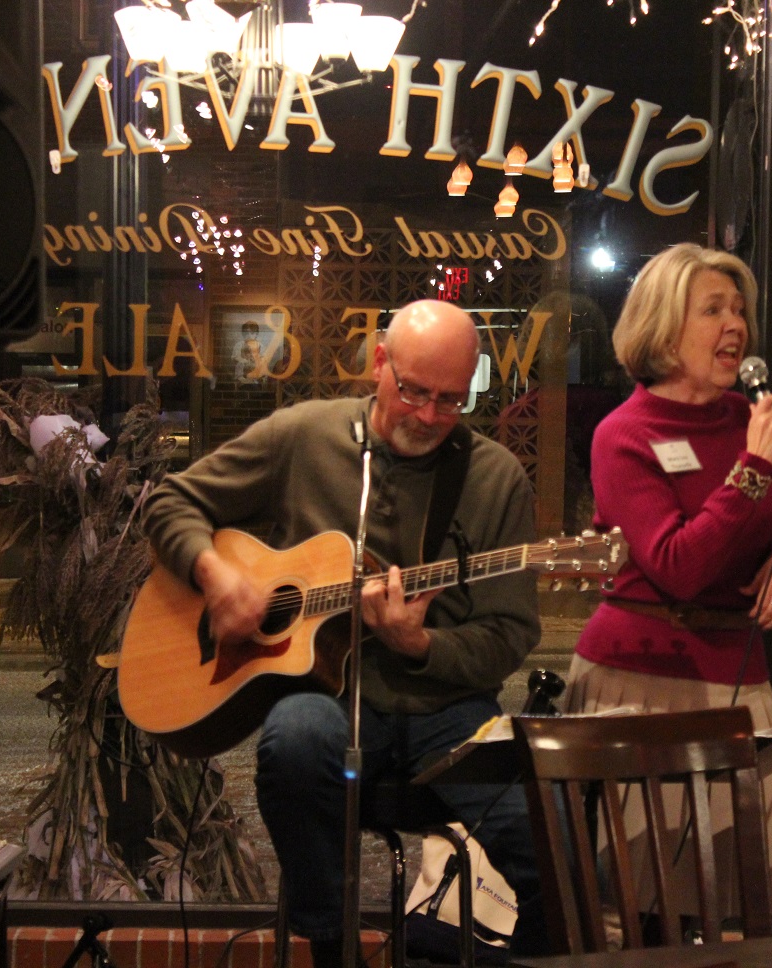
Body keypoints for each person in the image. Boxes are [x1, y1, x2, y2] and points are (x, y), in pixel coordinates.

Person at [141, 299, 549, 966]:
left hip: (448, 710)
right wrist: (216, 576)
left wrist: (421, 645)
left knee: (550, 835)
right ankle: (331, 945)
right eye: (413, 391)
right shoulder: (304, 436)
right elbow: (171, 501)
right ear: (380, 363)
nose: (428, 416)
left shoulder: (494, 477)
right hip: (324, 694)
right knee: (296, 739)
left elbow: (510, 633)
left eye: (451, 400)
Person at [564, 243, 772, 936]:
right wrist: (753, 467)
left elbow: (758, 532)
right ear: (664, 329)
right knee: (654, 914)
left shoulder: (747, 419)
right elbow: (678, 564)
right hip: (643, 679)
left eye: (739, 310)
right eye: (712, 310)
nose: (735, 325)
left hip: (738, 671)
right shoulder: (624, 435)